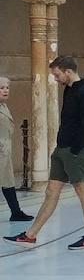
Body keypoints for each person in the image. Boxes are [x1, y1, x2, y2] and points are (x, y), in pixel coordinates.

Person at [5, 56, 84, 250]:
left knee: (82, 191)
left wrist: (75, 151)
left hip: (76, 150)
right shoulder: (69, 90)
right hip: (62, 149)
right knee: (51, 192)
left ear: (68, 71)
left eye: (57, 75)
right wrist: (61, 147)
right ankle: (30, 236)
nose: (56, 79)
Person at [1, 77, 33, 223]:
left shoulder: (4, 106)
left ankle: (16, 212)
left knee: (8, 182)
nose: (5, 90)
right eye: (2, 88)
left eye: (7, 87)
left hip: (4, 152)